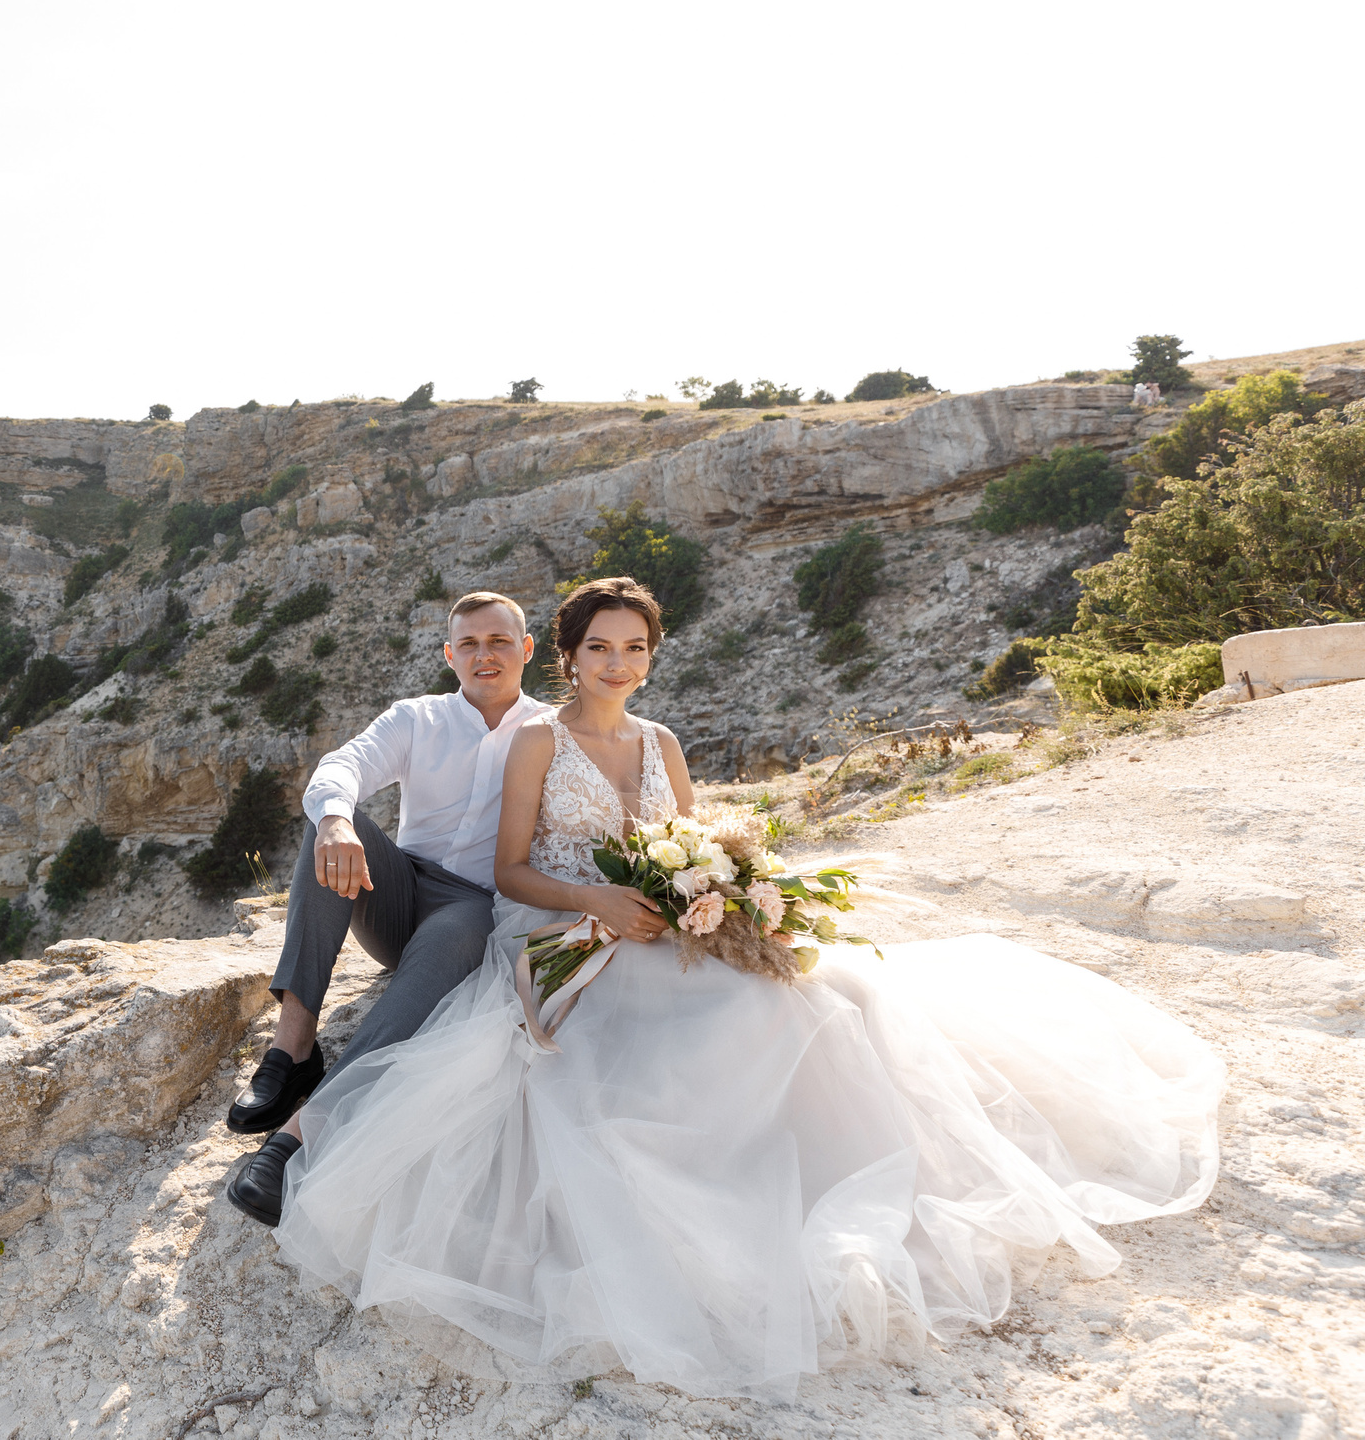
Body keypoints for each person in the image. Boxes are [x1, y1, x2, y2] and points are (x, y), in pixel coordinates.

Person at [268, 576, 1225, 1399]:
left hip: (656, 918)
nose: (617, 661)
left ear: (641, 655)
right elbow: (512, 869)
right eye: (599, 646)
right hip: (563, 921)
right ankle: (298, 1056)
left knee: (813, 999)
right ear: (564, 654)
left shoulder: (663, 741)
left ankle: (810, 1174)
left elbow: (698, 840)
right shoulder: (528, 742)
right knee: (643, 1036)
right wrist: (598, 899)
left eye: (634, 647)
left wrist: (720, 895)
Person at [221, 591, 552, 1226]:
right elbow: (340, 768)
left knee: (467, 922)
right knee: (330, 826)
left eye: (500, 641)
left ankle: (296, 1135)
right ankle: (291, 1050)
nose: (486, 655)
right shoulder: (416, 718)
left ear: (527, 649)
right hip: (396, 891)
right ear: (449, 655)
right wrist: (339, 823)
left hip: (474, 908)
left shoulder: (550, 733)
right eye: (471, 645)